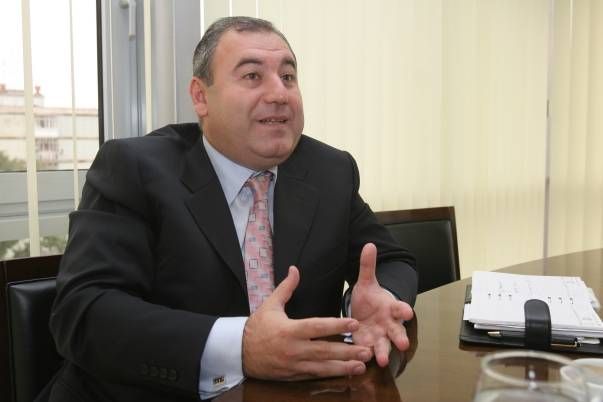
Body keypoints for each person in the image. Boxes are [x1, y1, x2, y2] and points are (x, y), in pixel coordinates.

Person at [48, 16, 417, 402]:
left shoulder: (330, 171)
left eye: (288, 77)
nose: (279, 93)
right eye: (253, 76)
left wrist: (377, 300)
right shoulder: (134, 168)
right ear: (201, 97)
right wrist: (240, 347)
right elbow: (83, 312)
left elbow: (392, 260)